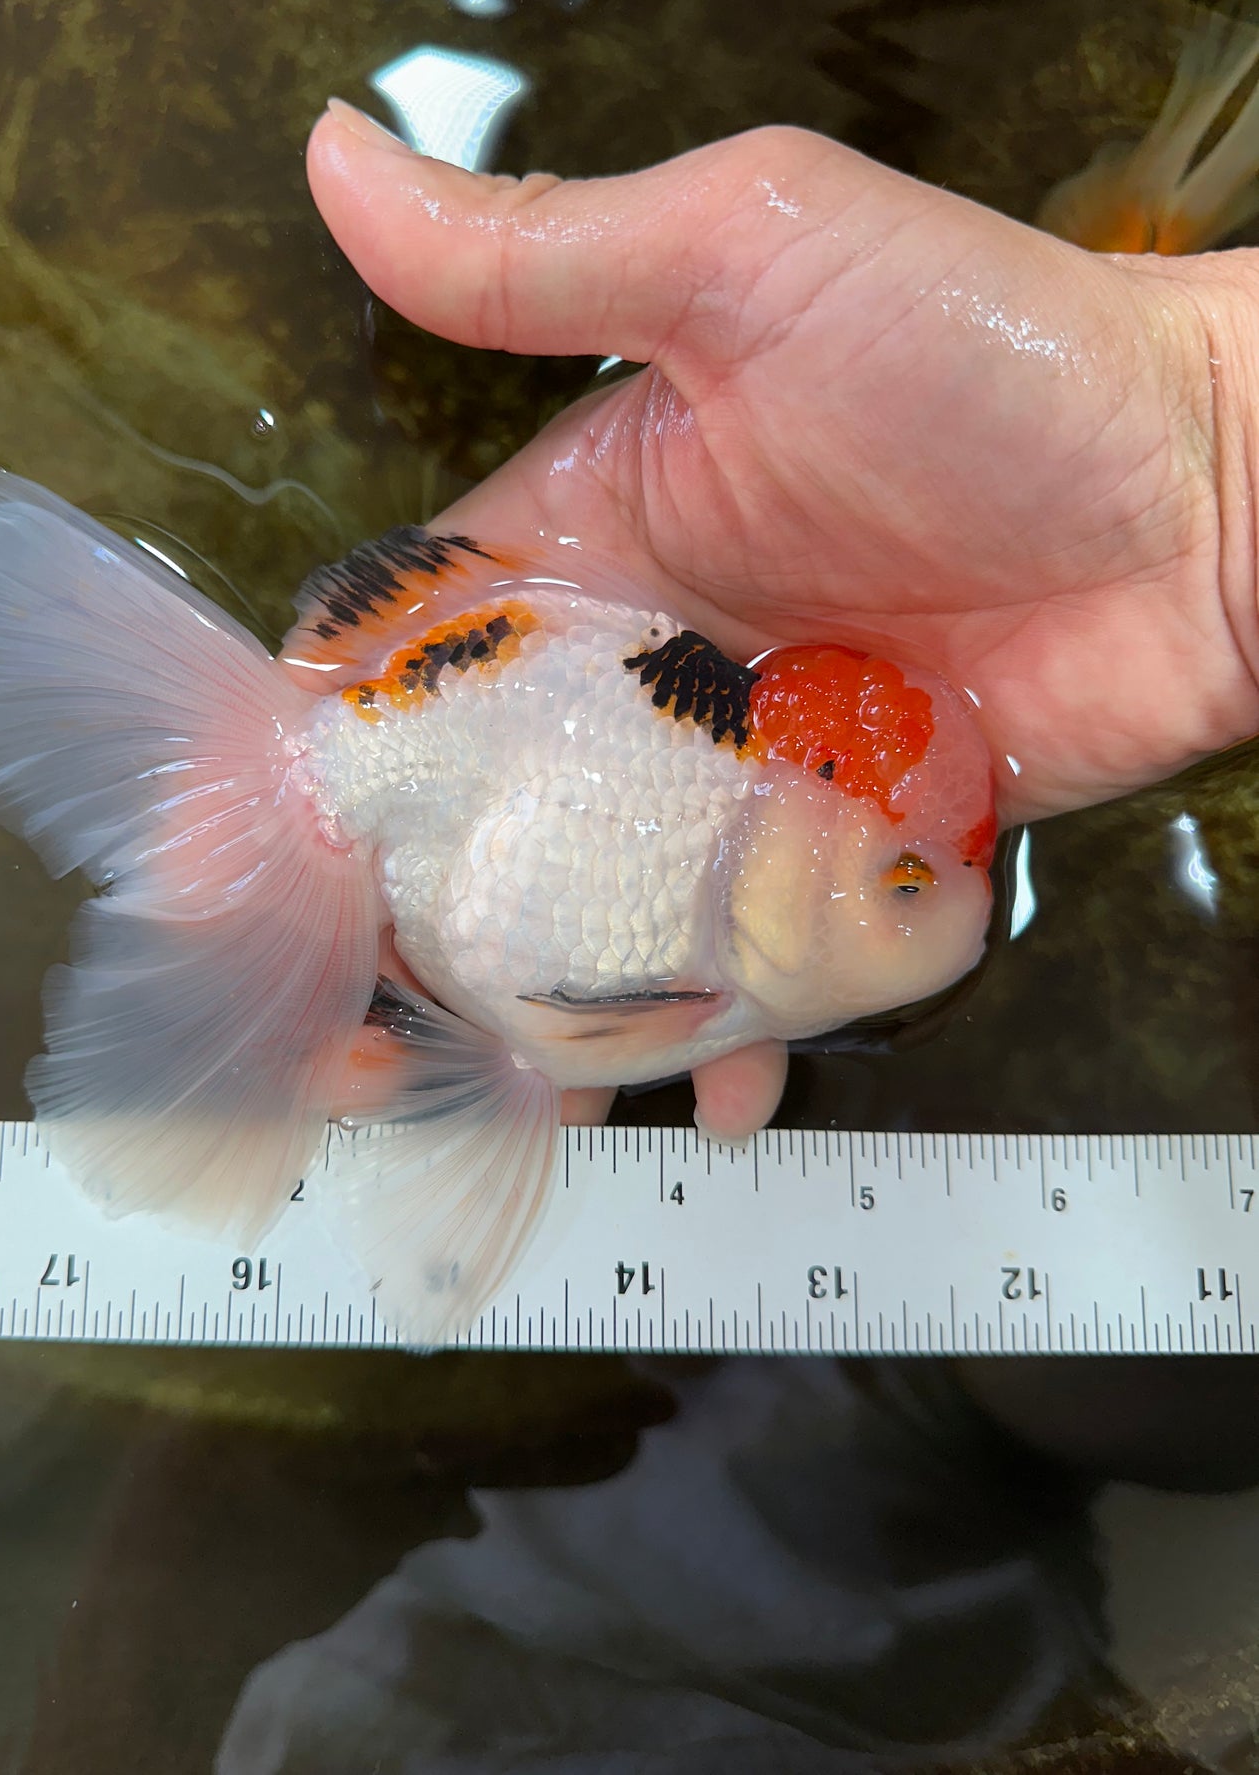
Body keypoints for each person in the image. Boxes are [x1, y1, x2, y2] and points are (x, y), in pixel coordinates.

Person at [305, 107, 1259, 1490]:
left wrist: (1212, 439)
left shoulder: (737, 896)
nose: (948, 908)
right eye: (904, 882)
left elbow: (573, 1035)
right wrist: (1209, 440)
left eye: (913, 880)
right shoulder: (722, 910)